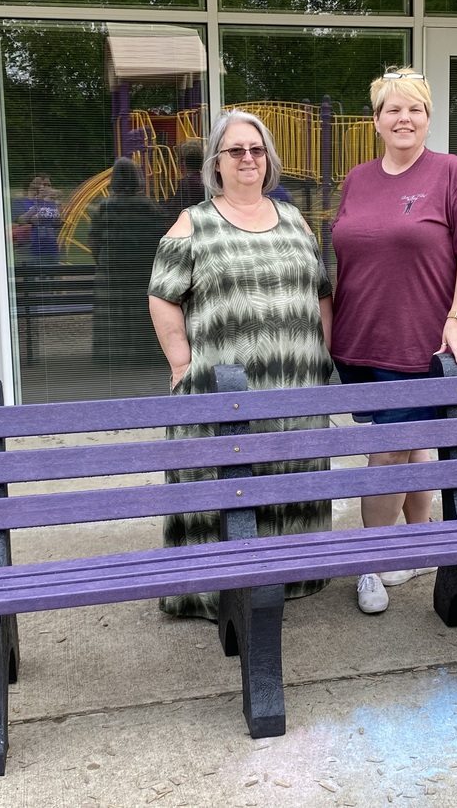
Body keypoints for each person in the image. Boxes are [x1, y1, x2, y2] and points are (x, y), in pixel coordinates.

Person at [147, 110, 334, 621]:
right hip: (221, 389)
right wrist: (181, 360)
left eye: (256, 150)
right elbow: (162, 295)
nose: (248, 158)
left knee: (287, 472)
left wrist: (322, 356)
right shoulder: (195, 221)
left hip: (294, 387)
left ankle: (291, 577)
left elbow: (320, 292)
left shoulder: (294, 219)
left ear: (268, 160)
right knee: (229, 481)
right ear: (217, 162)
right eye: (236, 151)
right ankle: (220, 590)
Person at [329, 66, 457, 615]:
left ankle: (371, 562)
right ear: (375, 121)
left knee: (391, 447)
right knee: (407, 438)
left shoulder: (451, 174)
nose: (404, 118)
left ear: (428, 118)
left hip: (420, 340)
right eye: (392, 110)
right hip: (358, 337)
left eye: (415, 109)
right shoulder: (356, 178)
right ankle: (420, 542)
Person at [89, 156, 166, 364]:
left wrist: (101, 261)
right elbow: (161, 237)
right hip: (141, 265)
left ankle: (114, 356)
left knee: (115, 311)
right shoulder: (149, 206)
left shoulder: (104, 207)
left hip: (112, 266)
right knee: (142, 310)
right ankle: (145, 352)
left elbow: (93, 239)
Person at [18, 174, 62, 263]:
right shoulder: (32, 203)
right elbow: (22, 220)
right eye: (43, 185)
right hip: (35, 245)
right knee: (34, 270)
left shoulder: (54, 204)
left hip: (51, 244)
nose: (45, 188)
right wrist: (39, 203)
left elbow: (57, 224)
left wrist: (57, 206)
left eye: (48, 185)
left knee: (53, 270)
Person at [160, 139, 206, 214]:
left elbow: (173, 208)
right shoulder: (206, 180)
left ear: (182, 162)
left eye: (177, 160)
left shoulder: (187, 184)